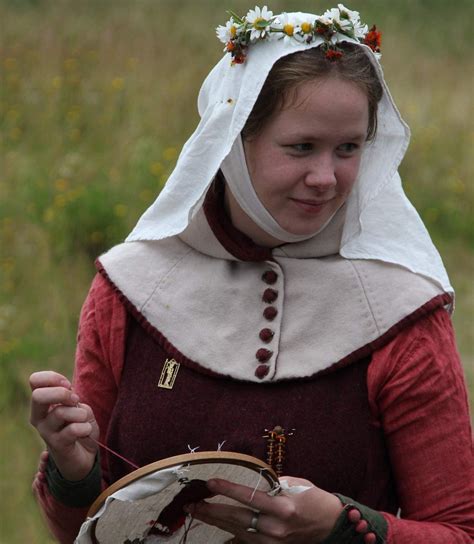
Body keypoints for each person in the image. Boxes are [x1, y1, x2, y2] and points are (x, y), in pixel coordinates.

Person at [29, 5, 473, 543]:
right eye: (301, 147)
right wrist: (73, 474)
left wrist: (341, 530)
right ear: (234, 141)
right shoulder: (130, 290)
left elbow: (459, 531)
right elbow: (87, 531)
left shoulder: (401, 311)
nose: (326, 178)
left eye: (349, 148)